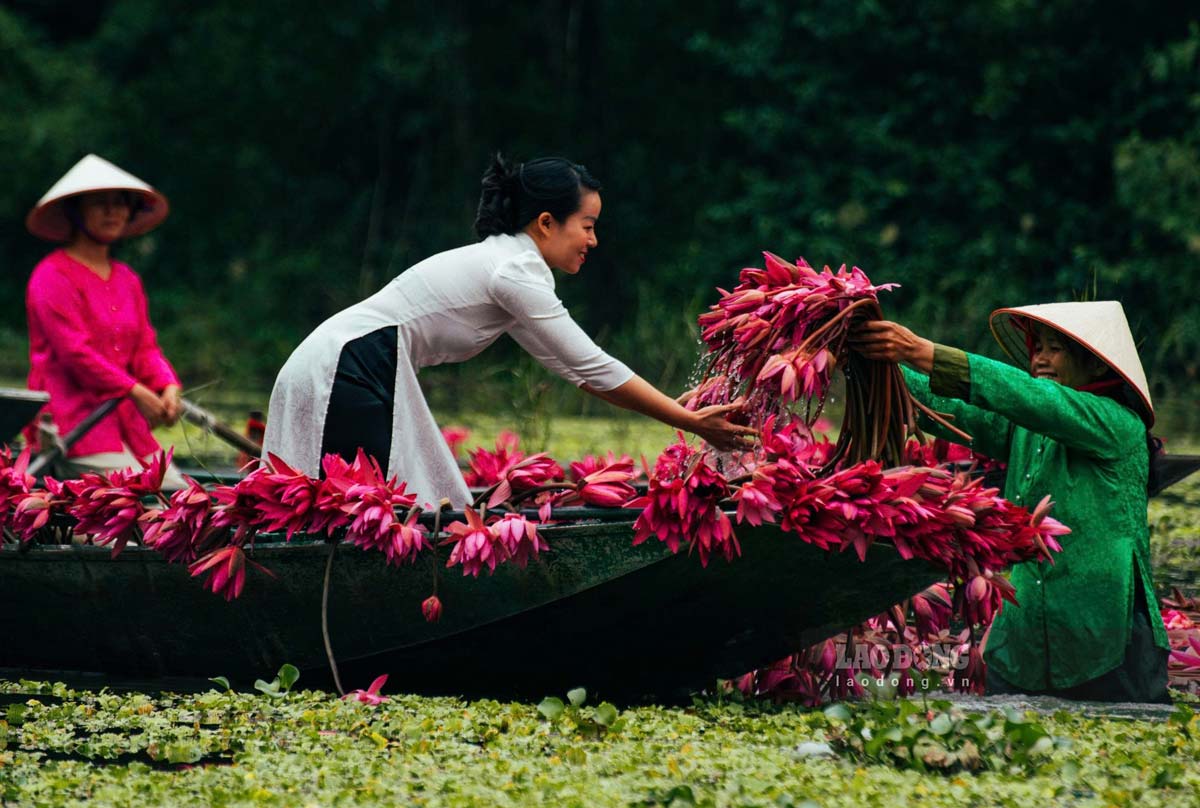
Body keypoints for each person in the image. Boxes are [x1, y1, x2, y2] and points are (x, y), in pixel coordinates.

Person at [264, 154, 754, 506]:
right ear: (545, 222)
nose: (594, 239)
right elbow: (594, 365)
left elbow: (577, 372)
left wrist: (684, 414)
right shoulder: (514, 271)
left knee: (373, 511)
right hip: (352, 363)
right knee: (368, 514)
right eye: (586, 225)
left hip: (350, 359)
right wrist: (688, 421)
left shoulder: (512, 268)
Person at [853, 301, 1170, 702]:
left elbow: (1033, 398)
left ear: (1096, 366)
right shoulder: (1027, 427)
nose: (1040, 358)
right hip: (1022, 645)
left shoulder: (1118, 424)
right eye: (1037, 348)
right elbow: (954, 409)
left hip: (1107, 639)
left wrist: (920, 351)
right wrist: (864, 362)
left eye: (1055, 348)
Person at [24, 153, 187, 489]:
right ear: (76, 211)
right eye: (100, 204)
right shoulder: (51, 276)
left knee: (180, 497)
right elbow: (76, 355)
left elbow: (145, 348)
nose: (113, 212)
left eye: (120, 203)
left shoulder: (128, 279)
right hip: (73, 426)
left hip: (126, 425)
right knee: (142, 500)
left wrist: (168, 385)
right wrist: (136, 391)